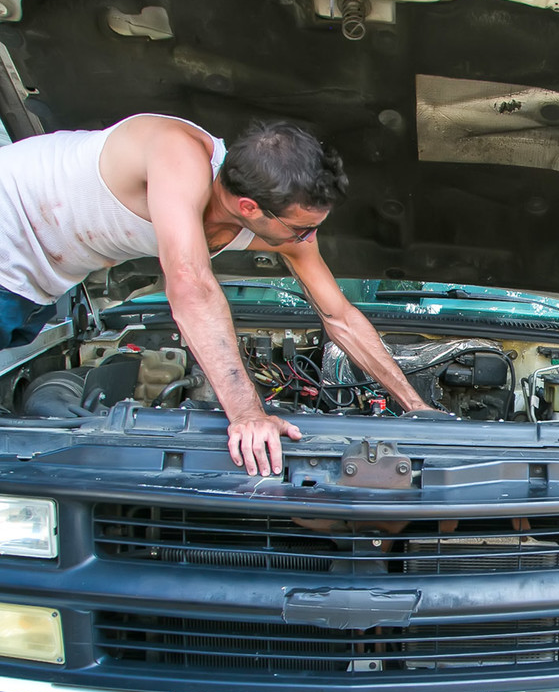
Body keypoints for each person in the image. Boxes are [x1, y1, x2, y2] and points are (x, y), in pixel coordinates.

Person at [0, 114, 432, 475]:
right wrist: (248, 413)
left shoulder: (271, 220)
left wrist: (416, 408)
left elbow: (339, 315)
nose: (310, 238)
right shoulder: (177, 154)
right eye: (302, 229)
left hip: (38, 282)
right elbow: (190, 284)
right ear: (249, 208)